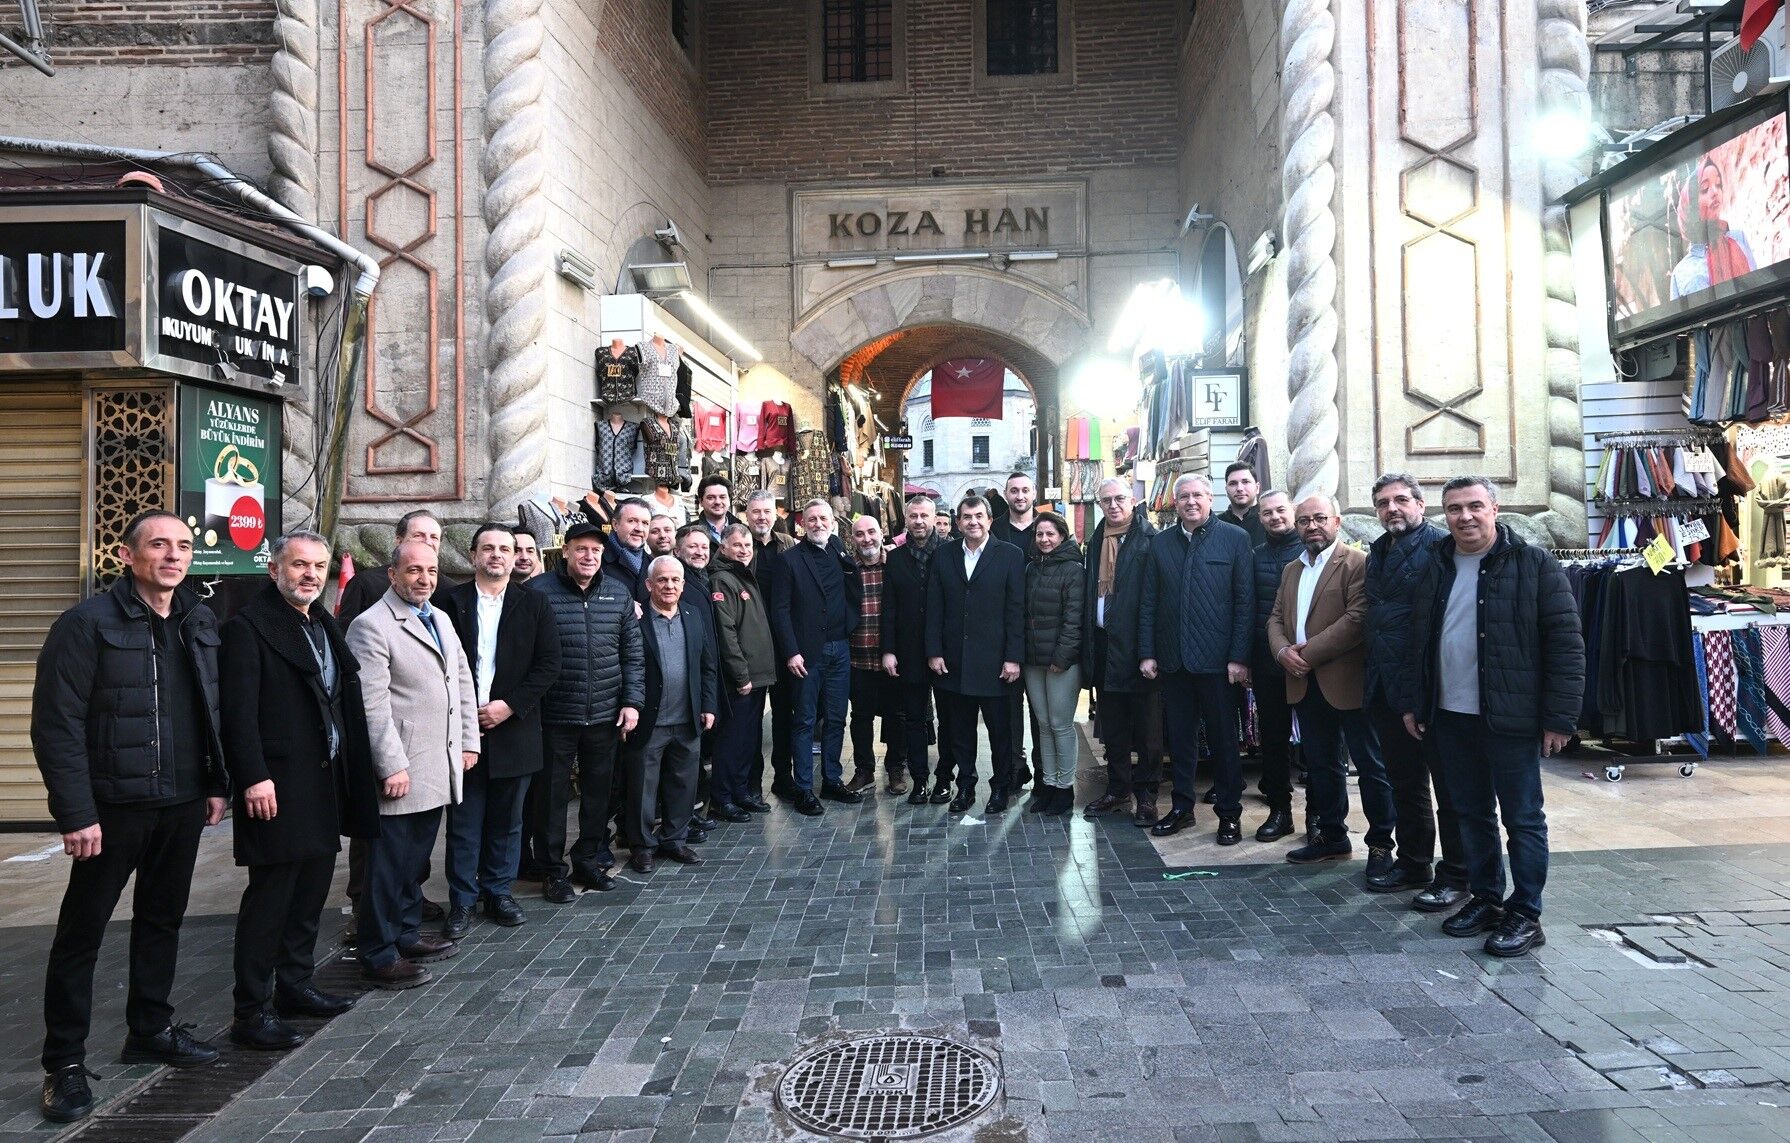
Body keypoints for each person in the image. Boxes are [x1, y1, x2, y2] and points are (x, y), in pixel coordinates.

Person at [32, 512, 232, 1123]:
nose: (173, 556)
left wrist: (215, 782)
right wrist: (76, 812)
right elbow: (56, 725)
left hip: (181, 802)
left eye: (183, 546)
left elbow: (209, 709)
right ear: (127, 555)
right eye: (159, 545)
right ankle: (64, 1064)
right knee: (82, 934)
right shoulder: (86, 624)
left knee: (162, 921)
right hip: (111, 810)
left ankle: (150, 1028)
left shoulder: (198, 620)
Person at [1404, 476, 1583, 958]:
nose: (1465, 516)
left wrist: (1560, 718)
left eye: (1474, 506)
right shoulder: (1436, 564)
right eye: (1454, 508)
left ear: (1494, 509)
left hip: (1511, 718)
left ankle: (1526, 913)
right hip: (1449, 716)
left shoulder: (1534, 564)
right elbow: (1418, 642)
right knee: (1471, 813)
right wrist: (1414, 703)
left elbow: (1566, 645)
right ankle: (1486, 898)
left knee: (1522, 819)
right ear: (1443, 515)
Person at [220, 530, 377, 1054]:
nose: (310, 574)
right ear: (274, 570)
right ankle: (251, 1011)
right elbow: (237, 713)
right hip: (276, 786)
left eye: (318, 566)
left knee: (311, 892)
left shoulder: (322, 624)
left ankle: (295, 985)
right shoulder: (247, 628)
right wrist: (252, 776)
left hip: (323, 781)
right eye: (298, 565)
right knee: (271, 900)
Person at [347, 539, 479, 989]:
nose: (424, 579)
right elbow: (370, 706)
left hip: (437, 762)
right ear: (392, 574)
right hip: (402, 769)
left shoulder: (439, 617)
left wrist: (468, 742)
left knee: (414, 862)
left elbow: (461, 682)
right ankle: (378, 953)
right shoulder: (371, 625)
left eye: (431, 571)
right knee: (387, 868)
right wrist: (390, 764)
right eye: (414, 571)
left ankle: (405, 933)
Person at [436, 524, 562, 938]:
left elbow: (549, 664)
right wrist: (465, 712)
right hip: (462, 728)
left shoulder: (535, 603)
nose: (496, 555)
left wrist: (508, 706)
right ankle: (462, 900)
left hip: (515, 728)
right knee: (464, 822)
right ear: (473, 555)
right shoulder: (447, 602)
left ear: (514, 557)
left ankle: (498, 892)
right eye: (487, 548)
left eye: (504, 549)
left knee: (508, 822)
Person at [1267, 495, 1392, 870]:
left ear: (1336, 522)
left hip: (1348, 684)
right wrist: (1281, 652)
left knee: (1371, 768)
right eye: (1304, 521)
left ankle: (1381, 846)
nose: (1312, 526)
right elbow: (1275, 618)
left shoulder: (1357, 563)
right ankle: (1332, 837)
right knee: (1322, 767)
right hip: (1305, 685)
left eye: (1320, 518)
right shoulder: (1292, 569)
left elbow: (1357, 619)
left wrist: (1304, 655)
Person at [1364, 473, 1467, 908]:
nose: (1392, 508)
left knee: (1450, 788)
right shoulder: (1378, 550)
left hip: (1429, 689)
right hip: (1386, 686)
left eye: (1401, 500)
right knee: (1405, 783)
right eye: (1383, 502)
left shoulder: (1442, 548)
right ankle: (1413, 862)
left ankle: (1458, 874)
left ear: (1421, 505)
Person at [530, 522, 644, 902]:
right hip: (555, 715)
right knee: (551, 799)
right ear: (565, 551)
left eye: (595, 550)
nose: (589, 556)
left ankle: (588, 859)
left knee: (599, 795)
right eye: (581, 549)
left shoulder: (618, 592)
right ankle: (552, 871)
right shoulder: (538, 592)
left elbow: (632, 653)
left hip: (605, 715)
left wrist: (632, 702)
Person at [1137, 473, 1253, 844]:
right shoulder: (1161, 543)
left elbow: (1245, 602)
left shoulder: (1235, 538)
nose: (1190, 502)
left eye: (1197, 495)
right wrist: (1147, 652)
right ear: (1175, 502)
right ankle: (1182, 808)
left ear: (1210, 498)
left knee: (1224, 742)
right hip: (1174, 661)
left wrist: (1239, 656)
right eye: (1184, 496)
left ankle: (1229, 815)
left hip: (1218, 664)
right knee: (1181, 741)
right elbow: (1149, 601)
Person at [926, 495, 1026, 814]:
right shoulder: (943, 555)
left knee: (1000, 733)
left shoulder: (1010, 555)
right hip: (953, 661)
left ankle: (1000, 787)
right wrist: (934, 651)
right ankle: (965, 787)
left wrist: (1013, 657)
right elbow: (934, 607)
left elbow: (1016, 610)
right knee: (960, 731)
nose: (973, 522)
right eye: (967, 517)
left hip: (996, 662)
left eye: (979, 516)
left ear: (989, 520)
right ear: (958, 522)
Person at [622, 557, 719, 872]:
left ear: (683, 584)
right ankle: (642, 847)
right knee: (642, 788)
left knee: (684, 784)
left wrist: (708, 705)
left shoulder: (693, 615)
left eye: (675, 580)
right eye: (662, 580)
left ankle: (675, 840)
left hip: (687, 718)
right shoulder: (636, 619)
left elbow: (707, 665)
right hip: (648, 721)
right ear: (649, 584)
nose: (669, 585)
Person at [768, 498, 863, 815]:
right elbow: (780, 610)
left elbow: (853, 588)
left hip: (840, 648)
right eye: (812, 519)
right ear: (802, 524)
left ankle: (832, 781)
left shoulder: (839, 550)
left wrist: (850, 625)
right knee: (805, 721)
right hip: (806, 654)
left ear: (833, 522)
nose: (818, 524)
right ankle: (804, 789)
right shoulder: (788, 560)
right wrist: (791, 652)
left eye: (823, 518)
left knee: (836, 718)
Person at [1080, 478, 1162, 827]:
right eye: (1106, 500)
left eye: (1119, 499)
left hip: (1138, 648)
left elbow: (1158, 600)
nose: (1113, 505)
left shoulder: (1150, 539)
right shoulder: (1097, 538)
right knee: (1112, 727)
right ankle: (1118, 789)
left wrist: (1150, 651)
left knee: (1147, 730)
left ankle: (1147, 796)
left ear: (1133, 500)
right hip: (1104, 645)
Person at [882, 494, 952, 805]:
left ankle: (945, 779)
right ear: (906, 520)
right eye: (914, 516)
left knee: (949, 719)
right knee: (913, 719)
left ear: (934, 518)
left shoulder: (950, 552)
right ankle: (920, 780)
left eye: (924, 516)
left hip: (945, 651)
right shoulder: (896, 558)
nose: (919, 521)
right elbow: (889, 607)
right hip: (909, 651)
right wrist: (888, 650)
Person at [708, 524, 778, 820]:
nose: (744, 550)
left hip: (757, 675)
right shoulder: (722, 579)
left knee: (747, 738)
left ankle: (741, 793)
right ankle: (722, 799)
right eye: (737, 545)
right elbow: (727, 632)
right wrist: (741, 674)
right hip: (742, 678)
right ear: (723, 547)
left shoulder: (743, 575)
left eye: (748, 545)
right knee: (731, 740)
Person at [1247, 490, 1302, 843]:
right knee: (1274, 741)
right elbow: (1248, 609)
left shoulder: (1312, 551)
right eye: (1267, 513)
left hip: (1311, 661)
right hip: (1268, 662)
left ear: (1292, 511)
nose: (1275, 517)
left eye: (1281, 510)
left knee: (1319, 745)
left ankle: (1322, 817)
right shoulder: (1255, 556)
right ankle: (1280, 811)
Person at [1022, 511, 1084, 816]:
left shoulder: (1074, 569)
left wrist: (1062, 657)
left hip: (1061, 662)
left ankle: (1065, 788)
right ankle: (1048, 784)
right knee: (1043, 725)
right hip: (1033, 659)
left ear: (1062, 535)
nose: (1044, 540)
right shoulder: (1031, 567)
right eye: (1039, 534)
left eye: (1050, 534)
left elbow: (1074, 618)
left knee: (1060, 725)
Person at [845, 514, 907, 794]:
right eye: (860, 534)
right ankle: (864, 770)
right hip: (857, 656)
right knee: (860, 717)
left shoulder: (895, 562)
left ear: (881, 532)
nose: (867, 539)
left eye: (871, 532)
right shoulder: (847, 567)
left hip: (891, 655)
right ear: (853, 538)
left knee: (896, 715)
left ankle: (895, 768)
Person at [744, 490, 798, 802]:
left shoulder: (788, 544)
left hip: (782, 643)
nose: (762, 517)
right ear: (747, 515)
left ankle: (783, 776)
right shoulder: (740, 543)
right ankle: (752, 782)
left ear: (775, 514)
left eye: (767, 512)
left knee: (783, 713)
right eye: (756, 512)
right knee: (750, 717)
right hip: (750, 644)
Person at [991, 471, 1041, 791]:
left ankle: (1044, 773)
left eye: (1025, 490)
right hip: (1002, 634)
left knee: (1040, 710)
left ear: (1033, 493)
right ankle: (1013, 769)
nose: (1020, 496)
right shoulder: (994, 529)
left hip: (1039, 632)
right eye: (1014, 490)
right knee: (1008, 709)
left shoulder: (1047, 527)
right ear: (1006, 494)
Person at [336, 509, 443, 625]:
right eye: (418, 535)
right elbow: (346, 632)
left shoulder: (450, 591)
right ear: (399, 541)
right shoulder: (365, 583)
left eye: (434, 537)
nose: (427, 542)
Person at [603, 498, 653, 603]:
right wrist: (625, 604)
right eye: (632, 521)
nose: (639, 528)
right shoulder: (596, 559)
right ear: (615, 524)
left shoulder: (652, 564)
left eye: (645, 523)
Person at [1217, 462, 1267, 546]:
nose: (1239, 488)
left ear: (1257, 487)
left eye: (1246, 482)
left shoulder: (1271, 521)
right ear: (1226, 490)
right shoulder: (1216, 524)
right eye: (1233, 483)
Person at [695, 475, 740, 548]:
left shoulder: (744, 531)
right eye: (711, 498)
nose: (717, 502)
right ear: (701, 501)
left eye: (722, 497)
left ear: (729, 500)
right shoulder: (688, 533)